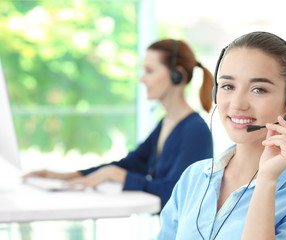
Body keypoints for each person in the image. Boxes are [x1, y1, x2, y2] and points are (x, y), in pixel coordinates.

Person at [157, 32, 286, 239]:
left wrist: (266, 180)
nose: (237, 104)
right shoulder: (194, 177)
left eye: (258, 89)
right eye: (228, 86)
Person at [23, 39, 214, 208]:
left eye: (149, 71)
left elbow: (175, 192)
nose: (142, 78)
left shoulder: (195, 130)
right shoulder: (166, 123)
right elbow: (131, 164)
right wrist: (66, 176)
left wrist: (118, 175)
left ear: (176, 75)